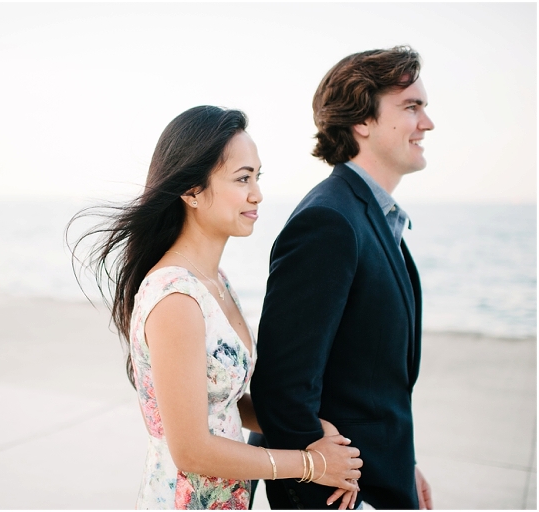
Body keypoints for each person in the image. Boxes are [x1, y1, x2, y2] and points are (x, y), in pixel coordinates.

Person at [68, 105, 362, 509]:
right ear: (191, 191)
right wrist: (310, 464)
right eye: (242, 178)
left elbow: (221, 402)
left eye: (257, 177)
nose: (256, 193)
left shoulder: (214, 282)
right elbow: (190, 450)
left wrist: (311, 430)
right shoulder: (176, 298)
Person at [249, 46, 435, 509]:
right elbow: (282, 388)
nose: (426, 123)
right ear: (362, 122)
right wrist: (321, 484)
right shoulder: (329, 222)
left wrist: (400, 463)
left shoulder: (374, 218)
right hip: (343, 496)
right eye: (412, 107)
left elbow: (366, 384)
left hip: (382, 479)